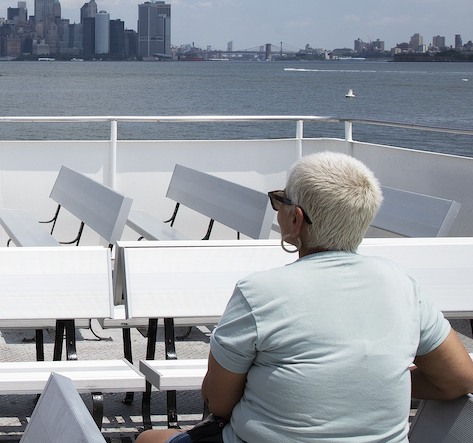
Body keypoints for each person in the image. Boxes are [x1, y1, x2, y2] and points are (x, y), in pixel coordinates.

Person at [137, 151, 473, 443]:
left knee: (149, 438)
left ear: (295, 220)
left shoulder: (259, 292)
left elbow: (218, 402)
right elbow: (457, 379)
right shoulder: (403, 285)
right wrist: (364, 386)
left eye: (280, 200)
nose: (278, 208)